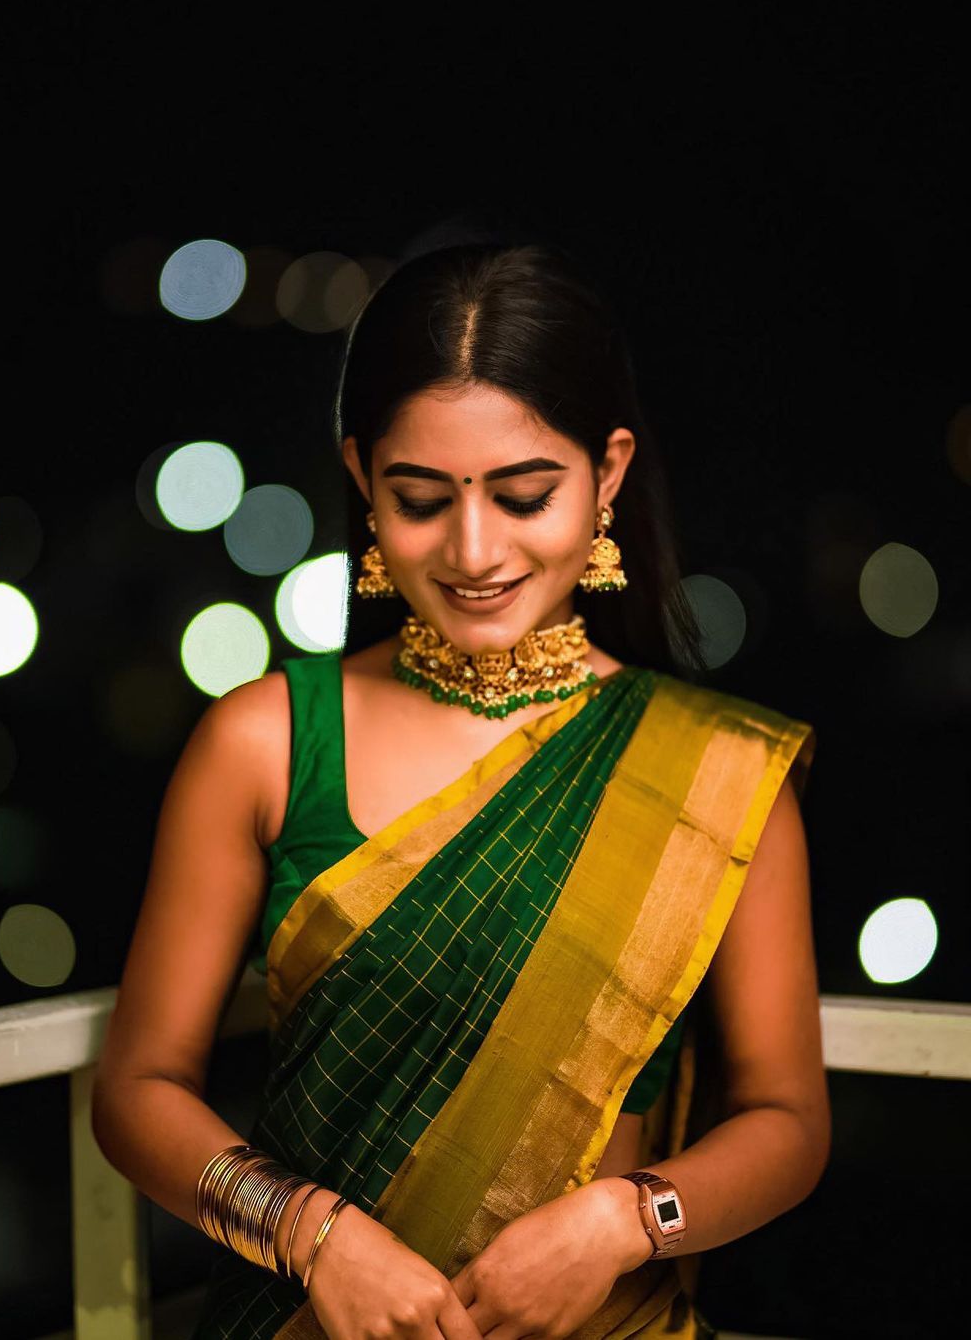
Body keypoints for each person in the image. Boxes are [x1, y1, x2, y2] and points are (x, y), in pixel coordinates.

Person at [91, 243, 829, 1340]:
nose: (474, 549)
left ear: (609, 473)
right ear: (361, 481)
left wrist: (624, 1222)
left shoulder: (717, 770)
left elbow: (788, 1120)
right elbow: (138, 1088)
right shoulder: (267, 739)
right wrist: (311, 1232)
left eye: (526, 494)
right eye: (422, 498)